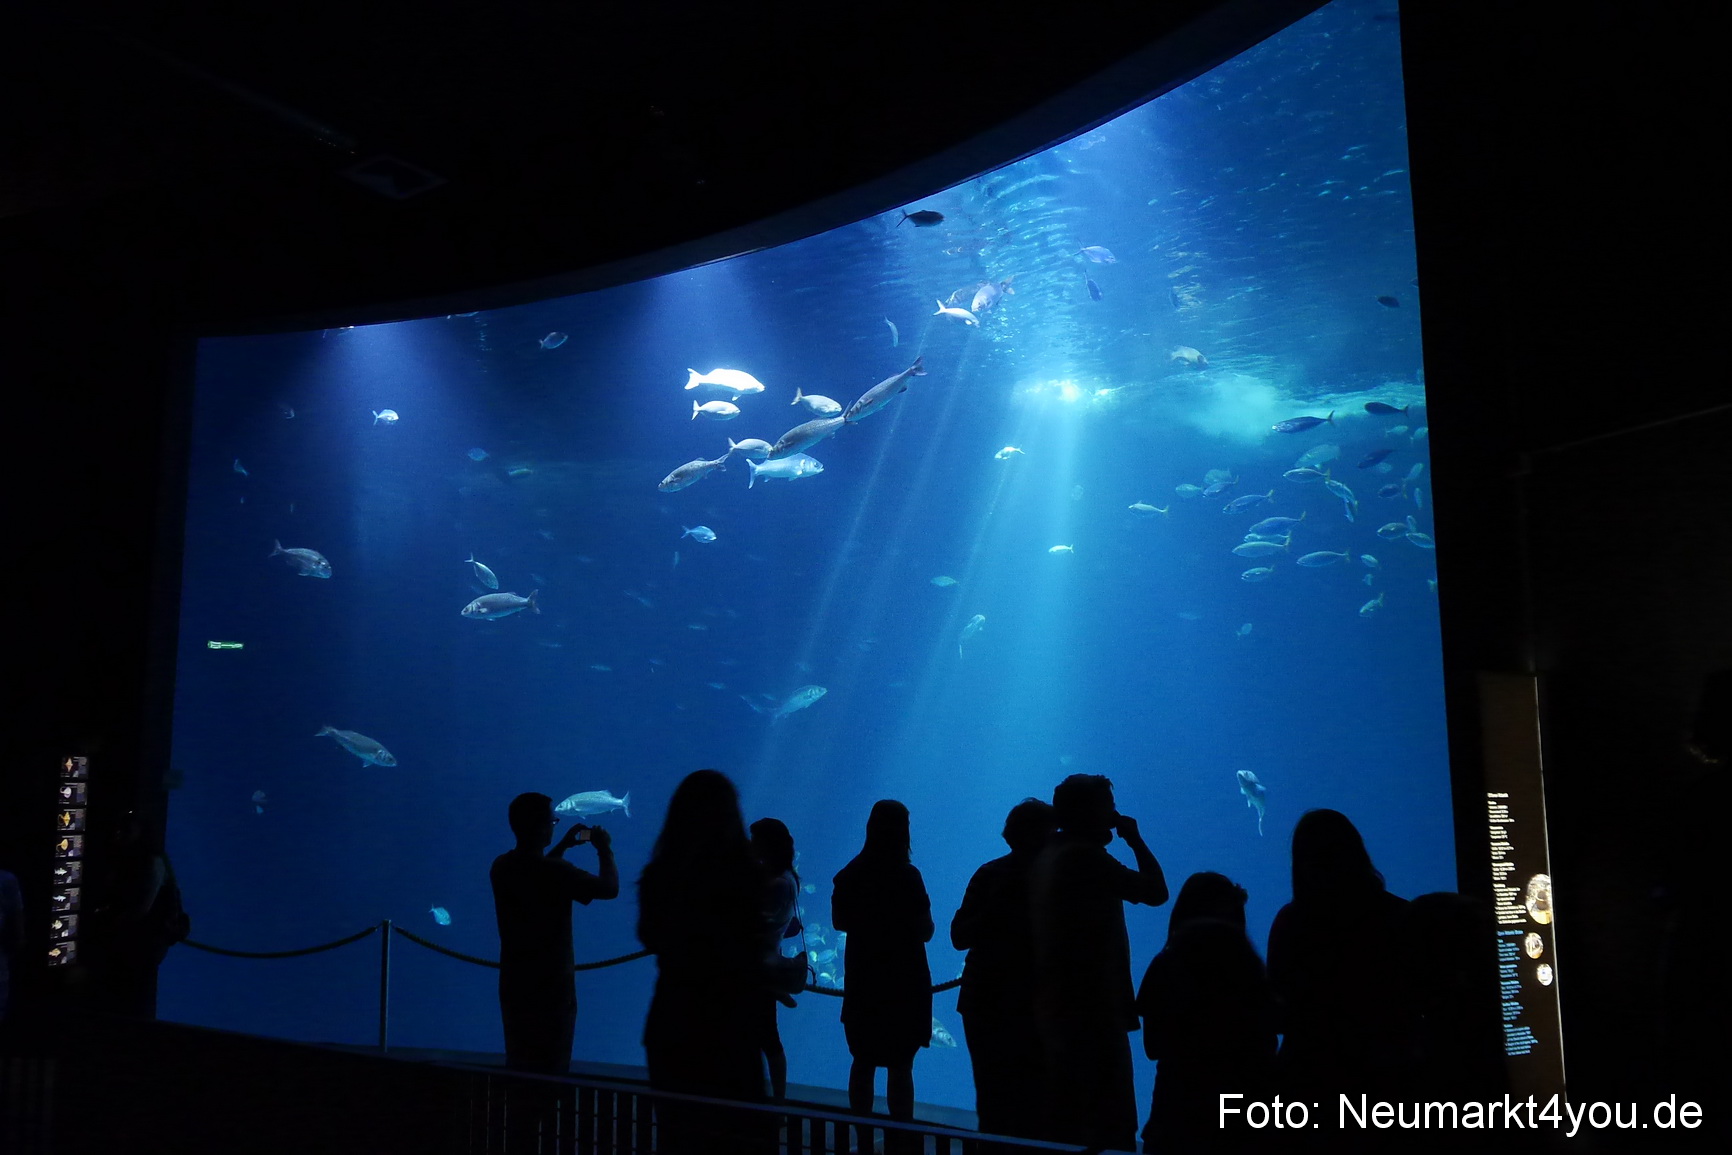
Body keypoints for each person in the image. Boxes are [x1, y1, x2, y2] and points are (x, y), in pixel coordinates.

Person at [1028, 773, 1168, 1151]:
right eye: (1107, 807)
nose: (1114, 814)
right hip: (1093, 1009)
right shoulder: (1085, 858)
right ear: (1088, 812)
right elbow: (1156, 891)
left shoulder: (1049, 852)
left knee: (1068, 1117)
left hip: (1058, 1005)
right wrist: (1135, 839)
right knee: (1112, 1116)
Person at [637, 770, 772, 1154]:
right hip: (730, 1024)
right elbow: (750, 945)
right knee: (738, 1135)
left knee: (678, 1134)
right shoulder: (746, 875)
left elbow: (649, 935)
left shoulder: (660, 874)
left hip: (673, 1020)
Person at [1265, 808, 1413, 1126]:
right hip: (1388, 1078)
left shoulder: (1291, 922)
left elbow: (1276, 1011)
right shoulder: (1401, 916)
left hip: (1308, 1081)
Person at [1135, 871, 1276, 1154]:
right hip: (1241, 1122)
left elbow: (1152, 1046)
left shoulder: (1165, 964)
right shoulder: (1248, 970)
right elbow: (1267, 1045)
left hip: (1174, 1118)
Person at [949, 797, 1056, 1144]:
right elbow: (959, 935)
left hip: (985, 999)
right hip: (1024, 1002)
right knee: (1032, 1096)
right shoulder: (1048, 878)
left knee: (994, 1094)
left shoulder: (989, 873)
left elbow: (959, 935)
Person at [489, 791, 618, 1074]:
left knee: (520, 1059)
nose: (554, 824)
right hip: (552, 986)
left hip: (515, 981)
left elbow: (538, 871)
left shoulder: (501, 866)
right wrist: (604, 848)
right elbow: (609, 889)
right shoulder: (557, 871)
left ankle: (518, 1116)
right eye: (552, 821)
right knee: (552, 1063)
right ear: (541, 826)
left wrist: (562, 845)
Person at [831, 799, 934, 1148]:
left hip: (864, 978)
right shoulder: (908, 876)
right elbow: (926, 931)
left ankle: (861, 1137)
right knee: (901, 1065)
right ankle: (901, 1139)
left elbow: (839, 922)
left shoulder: (850, 874)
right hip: (904, 980)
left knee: (863, 1060)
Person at [749, 817, 802, 1103]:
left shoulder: (778, 883)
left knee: (766, 1037)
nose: (749, 845)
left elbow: (752, 923)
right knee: (765, 1035)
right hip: (764, 963)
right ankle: (773, 1100)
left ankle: (776, 1102)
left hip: (758, 967)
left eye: (754, 839)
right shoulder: (785, 878)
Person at [0, 867, 23, 1026]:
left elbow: (16, 911)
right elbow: (17, 911)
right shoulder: (7, 878)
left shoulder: (7, 879)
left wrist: (20, 937)